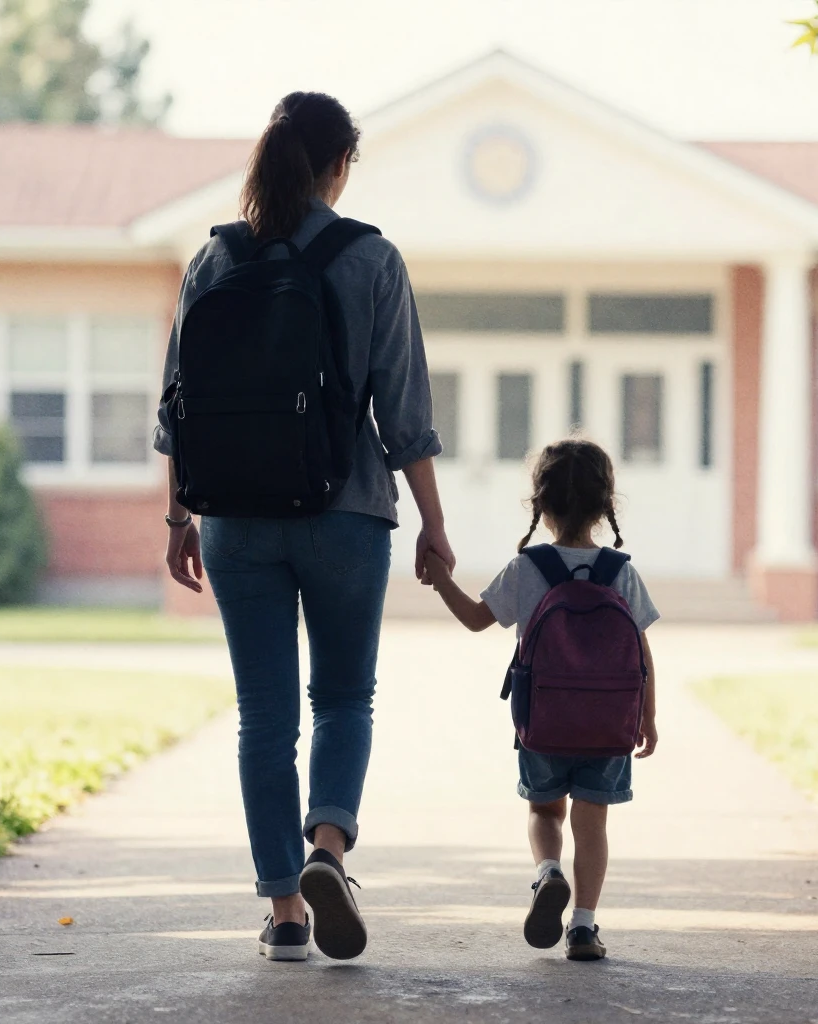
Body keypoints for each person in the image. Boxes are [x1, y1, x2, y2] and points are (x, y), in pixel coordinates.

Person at [154, 91, 454, 962]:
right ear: (339, 167)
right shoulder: (371, 258)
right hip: (346, 513)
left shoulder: (214, 259)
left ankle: (286, 911)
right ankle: (329, 847)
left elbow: (179, 406)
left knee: (263, 718)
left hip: (235, 521)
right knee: (344, 698)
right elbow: (404, 412)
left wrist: (180, 515)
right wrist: (434, 524)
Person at [423, 439, 658, 962]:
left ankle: (548, 872)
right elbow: (641, 652)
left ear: (541, 505)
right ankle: (583, 927)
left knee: (545, 811)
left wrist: (441, 579)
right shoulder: (620, 572)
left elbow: (475, 619)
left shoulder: (528, 569)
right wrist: (648, 718)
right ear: (606, 506)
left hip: (545, 722)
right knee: (591, 821)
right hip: (608, 726)